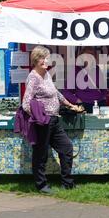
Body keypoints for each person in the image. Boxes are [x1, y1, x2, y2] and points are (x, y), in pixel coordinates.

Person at [22, 46, 81, 194]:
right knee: (41, 154)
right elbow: (26, 104)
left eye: (47, 58)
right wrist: (39, 117)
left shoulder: (46, 74)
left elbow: (56, 93)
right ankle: (41, 185)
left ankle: (67, 183)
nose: (46, 61)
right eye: (43, 58)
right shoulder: (33, 77)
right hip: (43, 122)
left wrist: (70, 104)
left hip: (54, 120)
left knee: (66, 148)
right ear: (36, 60)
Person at [62, 46, 108, 113]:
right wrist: (77, 101)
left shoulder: (97, 69)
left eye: (92, 54)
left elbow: (103, 88)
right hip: (83, 105)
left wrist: (104, 97)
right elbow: (66, 91)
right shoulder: (76, 70)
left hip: (99, 104)